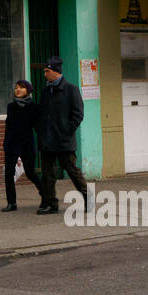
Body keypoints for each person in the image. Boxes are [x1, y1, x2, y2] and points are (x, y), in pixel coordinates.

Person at [36, 56, 90, 215]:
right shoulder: (46, 91)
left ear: (56, 72)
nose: (45, 74)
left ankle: (88, 199)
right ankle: (50, 203)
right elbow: (42, 114)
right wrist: (42, 131)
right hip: (47, 140)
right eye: (44, 71)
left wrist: (66, 131)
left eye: (47, 71)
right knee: (47, 174)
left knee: (72, 170)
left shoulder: (71, 90)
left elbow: (78, 115)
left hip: (64, 140)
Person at [1, 79, 43, 211]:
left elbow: (38, 127)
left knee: (31, 173)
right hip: (12, 144)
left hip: (26, 144)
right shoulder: (11, 107)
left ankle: (46, 196)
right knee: (9, 174)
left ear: (28, 90)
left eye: (21, 88)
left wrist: (43, 143)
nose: (18, 90)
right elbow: (8, 126)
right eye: (16, 88)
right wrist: (5, 143)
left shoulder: (34, 107)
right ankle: (11, 203)